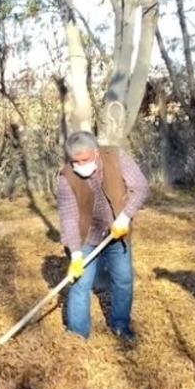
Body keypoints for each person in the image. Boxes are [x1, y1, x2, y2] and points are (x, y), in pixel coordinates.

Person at [56, 130, 149, 343]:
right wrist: (76, 253)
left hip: (117, 232)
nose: (80, 166)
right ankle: (78, 336)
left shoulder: (116, 157)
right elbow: (69, 218)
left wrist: (125, 217)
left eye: (85, 160)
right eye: (75, 162)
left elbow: (141, 188)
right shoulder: (66, 178)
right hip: (86, 237)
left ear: (96, 153)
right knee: (81, 284)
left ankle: (120, 325)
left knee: (123, 279)